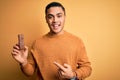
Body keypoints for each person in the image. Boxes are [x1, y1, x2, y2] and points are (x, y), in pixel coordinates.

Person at [11, 2, 92, 80]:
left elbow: (87, 68)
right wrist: (23, 62)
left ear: (64, 17)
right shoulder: (37, 43)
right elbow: (29, 73)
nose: (55, 20)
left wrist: (72, 75)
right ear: (46, 19)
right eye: (50, 17)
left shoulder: (76, 41)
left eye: (59, 16)